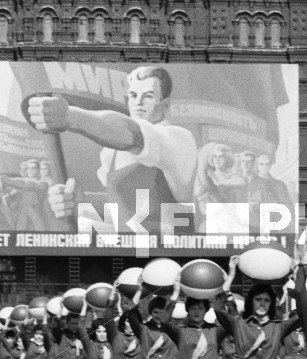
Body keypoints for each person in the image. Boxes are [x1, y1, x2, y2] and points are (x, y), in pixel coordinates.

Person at [27, 66, 198, 234]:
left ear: (165, 104)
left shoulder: (178, 139)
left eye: (148, 96)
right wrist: (79, 204)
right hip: (126, 255)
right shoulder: (111, 153)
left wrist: (71, 117)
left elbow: (132, 133)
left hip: (167, 257)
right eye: (133, 95)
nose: (138, 102)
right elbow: (112, 223)